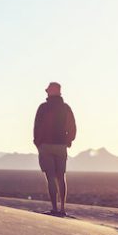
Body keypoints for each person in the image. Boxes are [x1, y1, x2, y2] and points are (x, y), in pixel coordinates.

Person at [33, 82, 76, 217]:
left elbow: (37, 127)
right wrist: (68, 140)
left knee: (51, 177)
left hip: (46, 146)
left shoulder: (43, 108)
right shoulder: (65, 108)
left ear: (50, 92)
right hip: (61, 146)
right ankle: (62, 208)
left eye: (48, 91)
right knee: (61, 177)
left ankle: (54, 208)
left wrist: (38, 143)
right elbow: (72, 126)